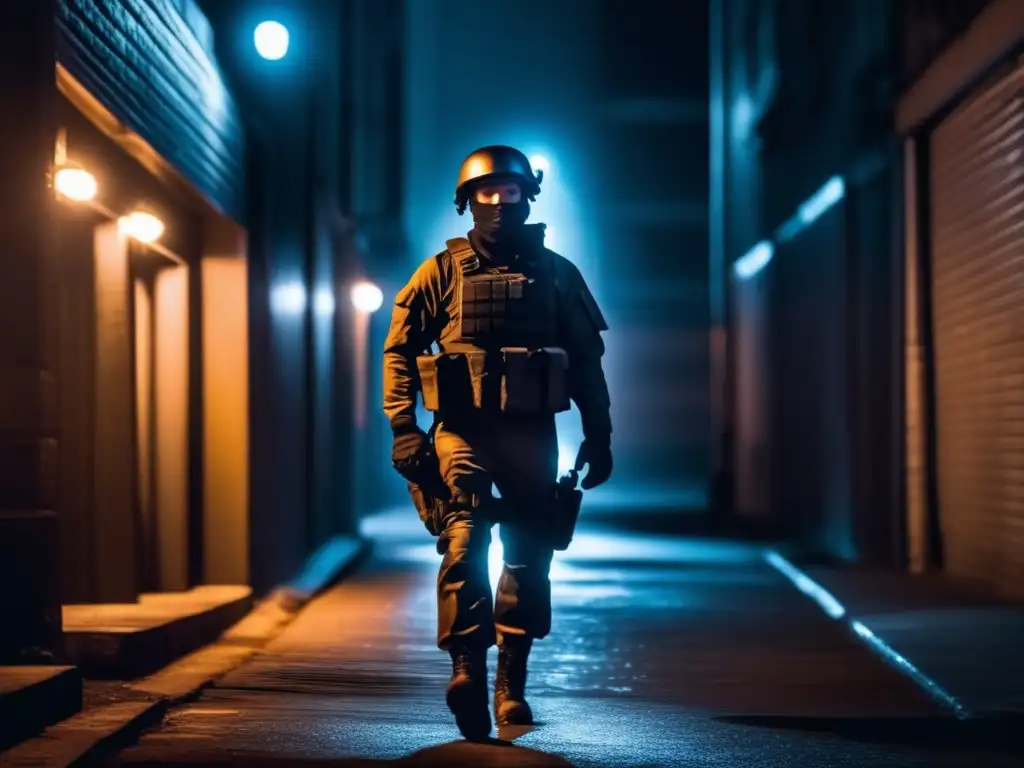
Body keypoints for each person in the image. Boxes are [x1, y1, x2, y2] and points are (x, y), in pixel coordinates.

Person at [383, 145, 613, 740]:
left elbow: (587, 362)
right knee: (462, 538)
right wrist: (404, 427)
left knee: (528, 556)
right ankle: (466, 670)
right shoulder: (440, 273)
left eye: (511, 193)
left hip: (534, 434)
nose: (500, 204)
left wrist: (599, 434)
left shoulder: (558, 274)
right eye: (488, 193)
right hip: (462, 431)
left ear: (527, 197)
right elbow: (400, 353)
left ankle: (511, 684)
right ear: (468, 201)